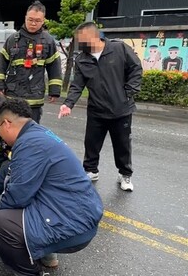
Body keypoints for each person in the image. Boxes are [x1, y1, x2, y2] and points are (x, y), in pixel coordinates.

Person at [0, 98, 104, 276]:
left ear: (7, 124)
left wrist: (4, 225)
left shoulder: (29, 144)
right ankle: (46, 253)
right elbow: (8, 170)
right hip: (79, 213)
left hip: (74, 224)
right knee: (26, 207)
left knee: (1, 221)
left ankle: (31, 272)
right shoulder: (37, 134)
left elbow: (17, 197)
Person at [58, 21, 142, 191]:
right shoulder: (82, 59)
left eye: (82, 40)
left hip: (121, 110)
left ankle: (125, 174)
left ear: (94, 36)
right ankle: (90, 170)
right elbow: (77, 85)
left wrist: (129, 91)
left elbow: (136, 68)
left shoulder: (119, 49)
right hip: (96, 110)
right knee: (91, 143)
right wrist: (68, 104)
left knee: (122, 144)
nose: (80, 44)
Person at [0, 0, 62, 124]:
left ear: (43, 21)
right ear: (25, 17)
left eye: (37, 21)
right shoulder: (13, 39)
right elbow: (1, 64)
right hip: (13, 96)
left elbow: (54, 67)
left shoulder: (48, 41)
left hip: (34, 99)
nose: (33, 23)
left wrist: (54, 90)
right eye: (30, 19)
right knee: (9, 129)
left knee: (30, 132)